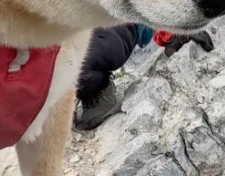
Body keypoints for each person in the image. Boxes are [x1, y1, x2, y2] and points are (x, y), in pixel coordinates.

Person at [75, 24, 215, 130]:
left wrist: (176, 30)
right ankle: (85, 91)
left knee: (76, 66)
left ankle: (98, 91)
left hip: (113, 28)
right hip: (84, 26)